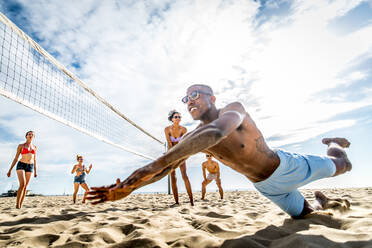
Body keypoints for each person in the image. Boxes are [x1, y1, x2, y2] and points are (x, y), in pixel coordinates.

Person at [87, 84, 352, 219]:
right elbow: (165, 168)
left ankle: (333, 141)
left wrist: (170, 156)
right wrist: (129, 187)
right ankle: (322, 201)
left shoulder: (231, 110)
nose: (190, 101)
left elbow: (217, 132)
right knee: (306, 214)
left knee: (343, 164)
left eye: (195, 95)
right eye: (186, 98)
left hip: (287, 166)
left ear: (212, 99)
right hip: (266, 187)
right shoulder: (192, 136)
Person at [164, 110, 194, 206]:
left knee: (184, 176)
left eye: (179, 117)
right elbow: (169, 143)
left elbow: (183, 144)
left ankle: (191, 200)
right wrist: (171, 154)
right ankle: (176, 202)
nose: (178, 118)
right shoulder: (167, 129)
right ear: (172, 119)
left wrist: (181, 154)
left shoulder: (184, 129)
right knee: (173, 177)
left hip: (181, 153)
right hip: (172, 153)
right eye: (176, 117)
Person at [7, 131, 37, 209]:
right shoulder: (21, 146)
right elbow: (16, 158)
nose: (31, 135)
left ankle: (20, 204)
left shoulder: (35, 147)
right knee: (22, 184)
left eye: (32, 134)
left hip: (30, 166)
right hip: (21, 165)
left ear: (34, 137)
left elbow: (35, 159)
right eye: (29, 134)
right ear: (26, 136)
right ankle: (17, 204)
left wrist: (35, 171)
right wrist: (10, 169)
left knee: (25, 187)